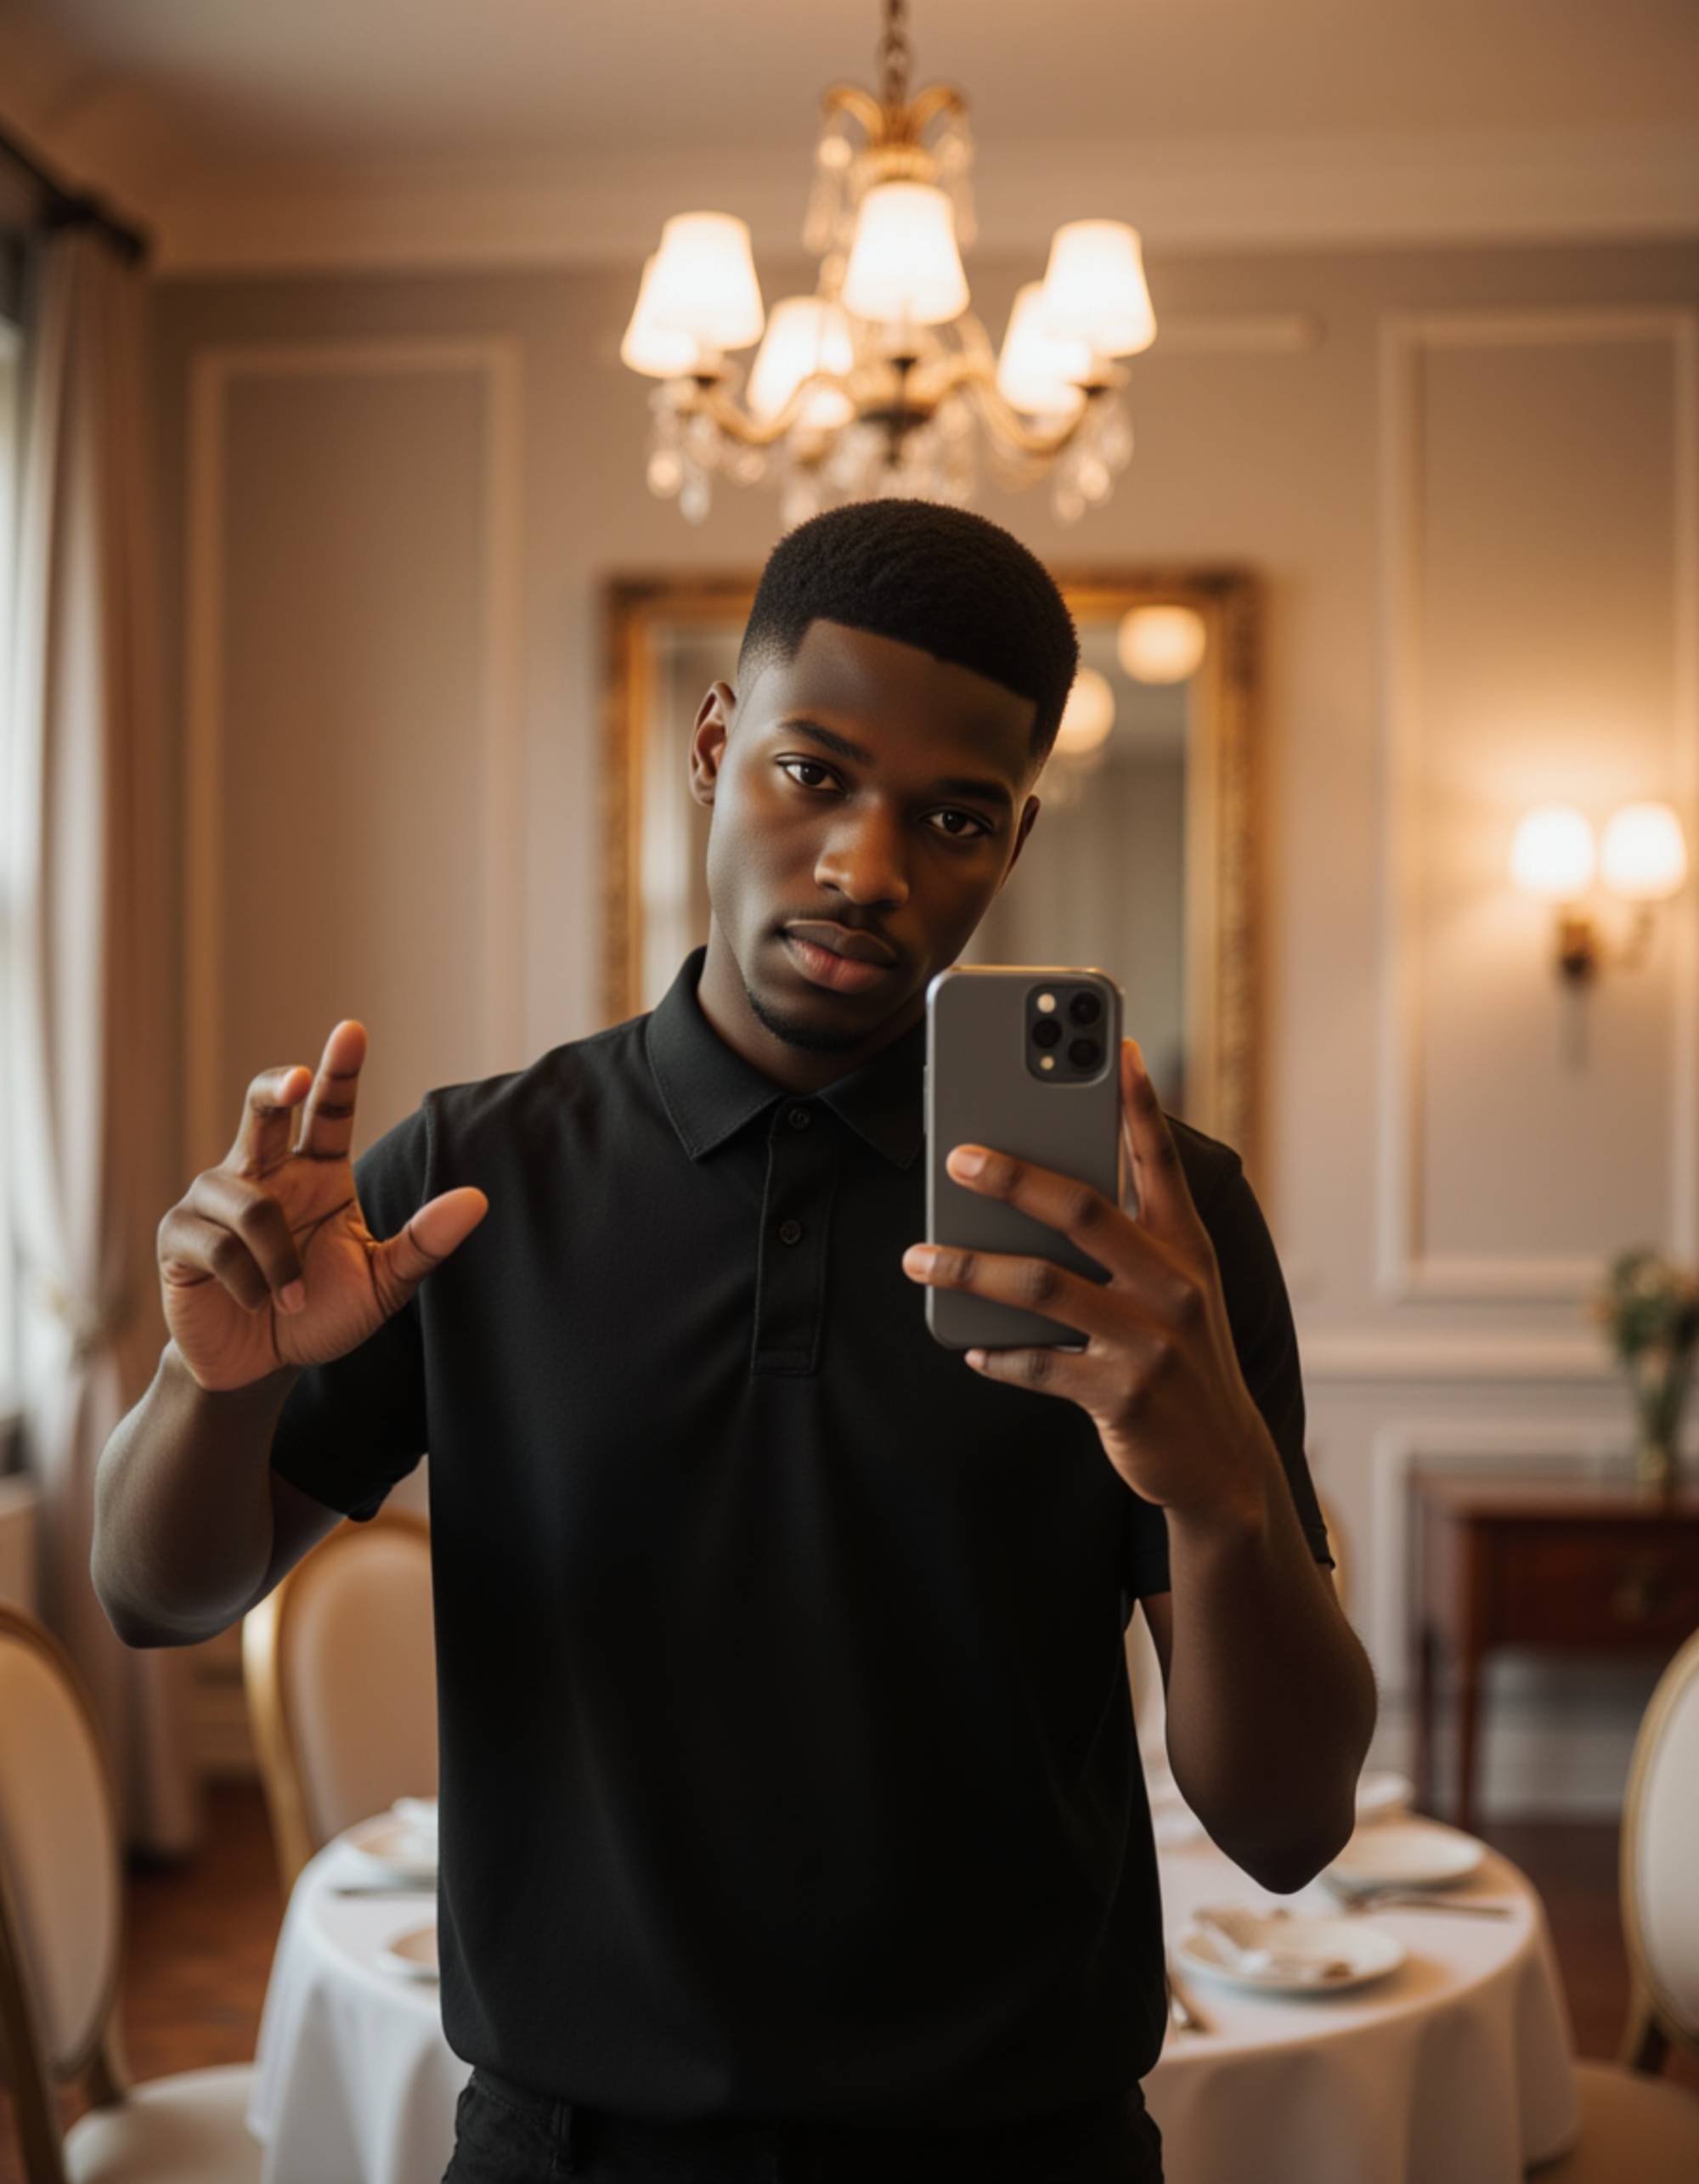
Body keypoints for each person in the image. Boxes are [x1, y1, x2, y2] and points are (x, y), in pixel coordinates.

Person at [95, 497, 1378, 2184]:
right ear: (715, 744)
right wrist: (211, 1378)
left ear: (1013, 838)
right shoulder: (470, 1176)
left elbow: (1284, 1830)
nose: (868, 865)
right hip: (566, 2143)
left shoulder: (1150, 1226)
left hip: (1021, 2148)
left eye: (955, 815)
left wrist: (1219, 1502)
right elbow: (153, 1590)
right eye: (812, 773)